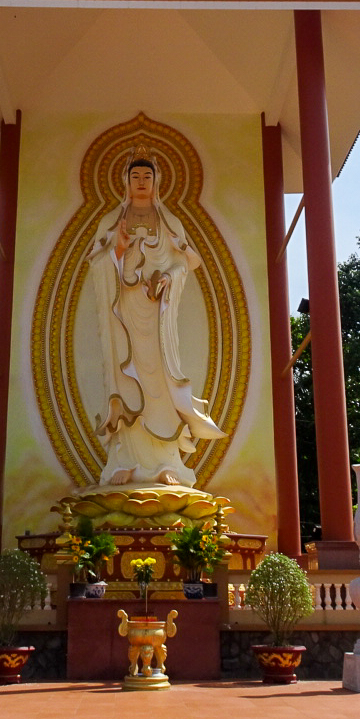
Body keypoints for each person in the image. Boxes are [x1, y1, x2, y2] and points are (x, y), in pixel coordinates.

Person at [86, 151, 225, 487]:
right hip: (124, 317)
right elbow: (97, 262)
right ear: (126, 182)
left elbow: (187, 263)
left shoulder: (168, 222)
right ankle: (127, 461)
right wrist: (117, 251)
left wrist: (167, 278)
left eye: (147, 176)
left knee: (160, 384)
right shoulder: (112, 219)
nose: (142, 182)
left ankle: (166, 463)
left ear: (156, 181)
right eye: (135, 177)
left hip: (158, 314)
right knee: (125, 382)